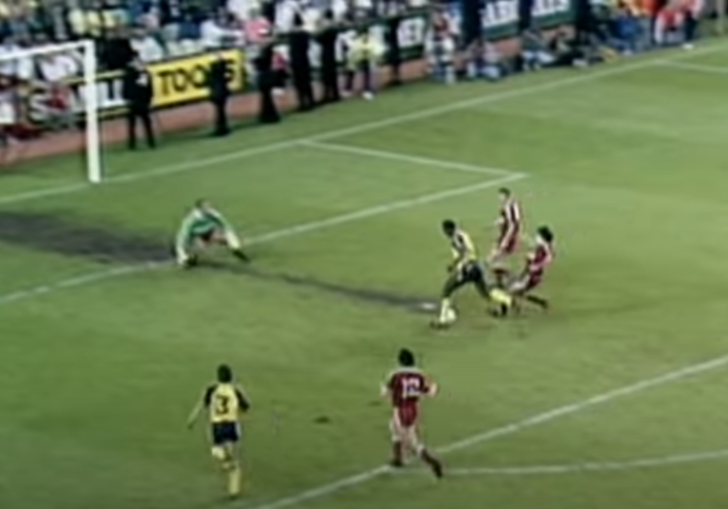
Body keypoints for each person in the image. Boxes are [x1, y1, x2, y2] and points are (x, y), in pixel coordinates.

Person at [187, 364, 251, 499]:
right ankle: (233, 486)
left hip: (217, 426)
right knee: (231, 456)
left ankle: (233, 488)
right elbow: (246, 406)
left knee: (217, 451)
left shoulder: (212, 389)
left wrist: (192, 419)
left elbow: (201, 405)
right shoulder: (235, 390)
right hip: (231, 425)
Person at [434, 220, 512, 328]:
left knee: (447, 289)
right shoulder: (457, 238)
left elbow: (468, 252)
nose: (445, 233)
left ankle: (443, 319)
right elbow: (459, 256)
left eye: (445, 230)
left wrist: (461, 267)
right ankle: (507, 300)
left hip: (468, 268)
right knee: (485, 293)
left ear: (450, 229)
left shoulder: (459, 237)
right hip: (475, 267)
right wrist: (453, 265)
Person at [381, 348, 443, 478]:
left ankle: (432, 462)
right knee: (393, 427)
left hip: (400, 409)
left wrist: (384, 390)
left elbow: (385, 393)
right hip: (414, 409)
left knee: (412, 441)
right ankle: (397, 459)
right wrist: (435, 388)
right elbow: (431, 392)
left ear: (400, 361)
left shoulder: (395, 374)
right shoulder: (419, 374)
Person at [175, 199, 250, 268]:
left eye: (209, 206)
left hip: (210, 231)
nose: (209, 208)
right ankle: (188, 258)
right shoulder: (191, 220)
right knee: (199, 249)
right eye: (206, 207)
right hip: (196, 235)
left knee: (223, 238)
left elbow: (226, 224)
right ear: (200, 209)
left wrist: (232, 237)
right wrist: (181, 253)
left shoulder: (214, 213)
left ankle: (234, 249)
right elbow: (182, 236)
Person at [509, 226, 555, 311]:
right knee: (518, 292)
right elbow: (533, 245)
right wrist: (523, 237)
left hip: (532, 275)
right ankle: (541, 302)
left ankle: (509, 310)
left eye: (538, 236)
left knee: (512, 290)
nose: (536, 237)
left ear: (543, 238)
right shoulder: (541, 246)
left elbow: (550, 258)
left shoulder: (546, 247)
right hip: (527, 272)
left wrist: (537, 265)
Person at [488, 187, 522, 285]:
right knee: (497, 257)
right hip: (505, 233)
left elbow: (513, 223)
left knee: (495, 257)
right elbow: (507, 219)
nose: (499, 198)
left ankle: (508, 278)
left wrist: (506, 239)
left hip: (508, 234)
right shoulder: (509, 205)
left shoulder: (510, 206)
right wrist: (499, 221)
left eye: (500, 195)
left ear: (505, 195)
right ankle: (504, 278)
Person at [122, 53, 155, 150]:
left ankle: (150, 141)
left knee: (146, 122)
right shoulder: (129, 73)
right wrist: (127, 98)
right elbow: (126, 87)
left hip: (142, 101)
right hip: (134, 101)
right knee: (132, 123)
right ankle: (132, 143)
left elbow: (149, 87)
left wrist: (149, 99)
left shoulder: (145, 73)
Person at [344, 29, 383, 100]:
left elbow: (378, 51)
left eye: (367, 35)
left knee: (368, 71)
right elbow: (353, 51)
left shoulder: (372, 41)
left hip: (366, 58)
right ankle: (348, 89)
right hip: (355, 58)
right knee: (351, 72)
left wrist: (377, 59)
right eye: (364, 35)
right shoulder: (357, 43)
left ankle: (367, 90)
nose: (365, 37)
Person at [288, 13, 315, 111]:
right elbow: (307, 47)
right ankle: (311, 101)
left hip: (296, 60)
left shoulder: (291, 35)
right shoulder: (305, 34)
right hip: (305, 58)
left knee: (299, 83)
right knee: (307, 81)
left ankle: (302, 103)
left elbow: (291, 50)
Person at [317, 9, 340, 103]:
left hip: (326, 52)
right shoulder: (334, 27)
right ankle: (335, 94)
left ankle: (327, 95)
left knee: (326, 74)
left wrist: (319, 26)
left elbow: (318, 39)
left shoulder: (327, 29)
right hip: (332, 51)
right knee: (332, 74)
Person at [255, 43, 281, 124]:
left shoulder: (264, 58)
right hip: (268, 78)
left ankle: (268, 116)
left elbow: (257, 63)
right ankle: (270, 115)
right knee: (268, 98)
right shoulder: (268, 56)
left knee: (266, 98)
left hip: (264, 78)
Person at [208, 53, 231, 137]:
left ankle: (220, 128)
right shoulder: (223, 70)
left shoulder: (213, 71)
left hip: (216, 92)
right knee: (221, 111)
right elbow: (227, 78)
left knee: (219, 111)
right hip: (222, 91)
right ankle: (223, 128)